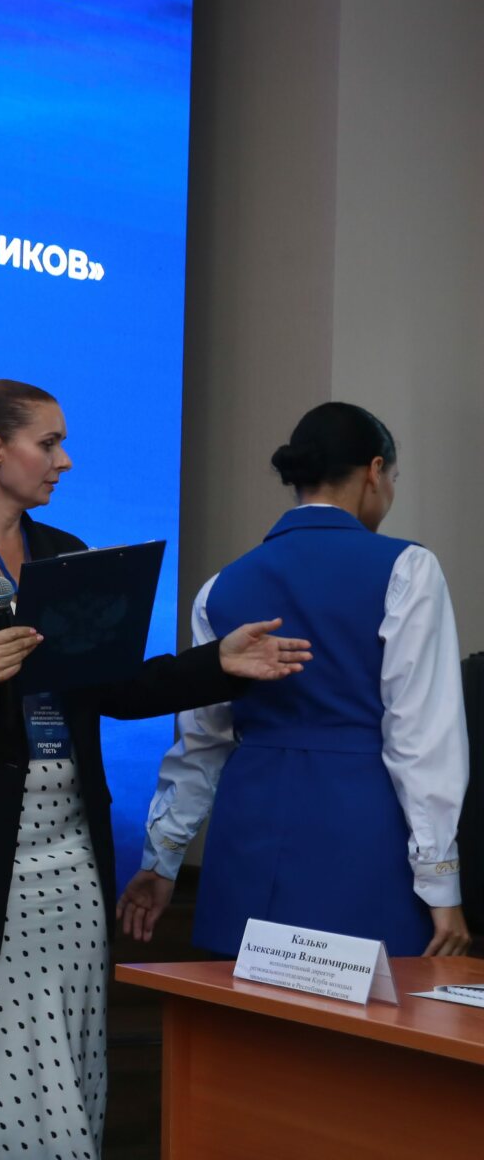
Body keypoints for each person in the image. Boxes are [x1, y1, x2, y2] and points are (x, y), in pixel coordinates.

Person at [0, 379, 308, 1160]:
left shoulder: (65, 555)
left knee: (66, 1063)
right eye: (48, 443)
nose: (63, 460)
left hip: (68, 860)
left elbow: (118, 689)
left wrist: (218, 663)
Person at [120, 402, 471, 959]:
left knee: (249, 1007)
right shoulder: (407, 568)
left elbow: (201, 743)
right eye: (394, 478)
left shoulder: (221, 587)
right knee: (364, 1006)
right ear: (374, 471)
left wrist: (161, 859)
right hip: (360, 828)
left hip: (248, 829)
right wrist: (441, 881)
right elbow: (422, 738)